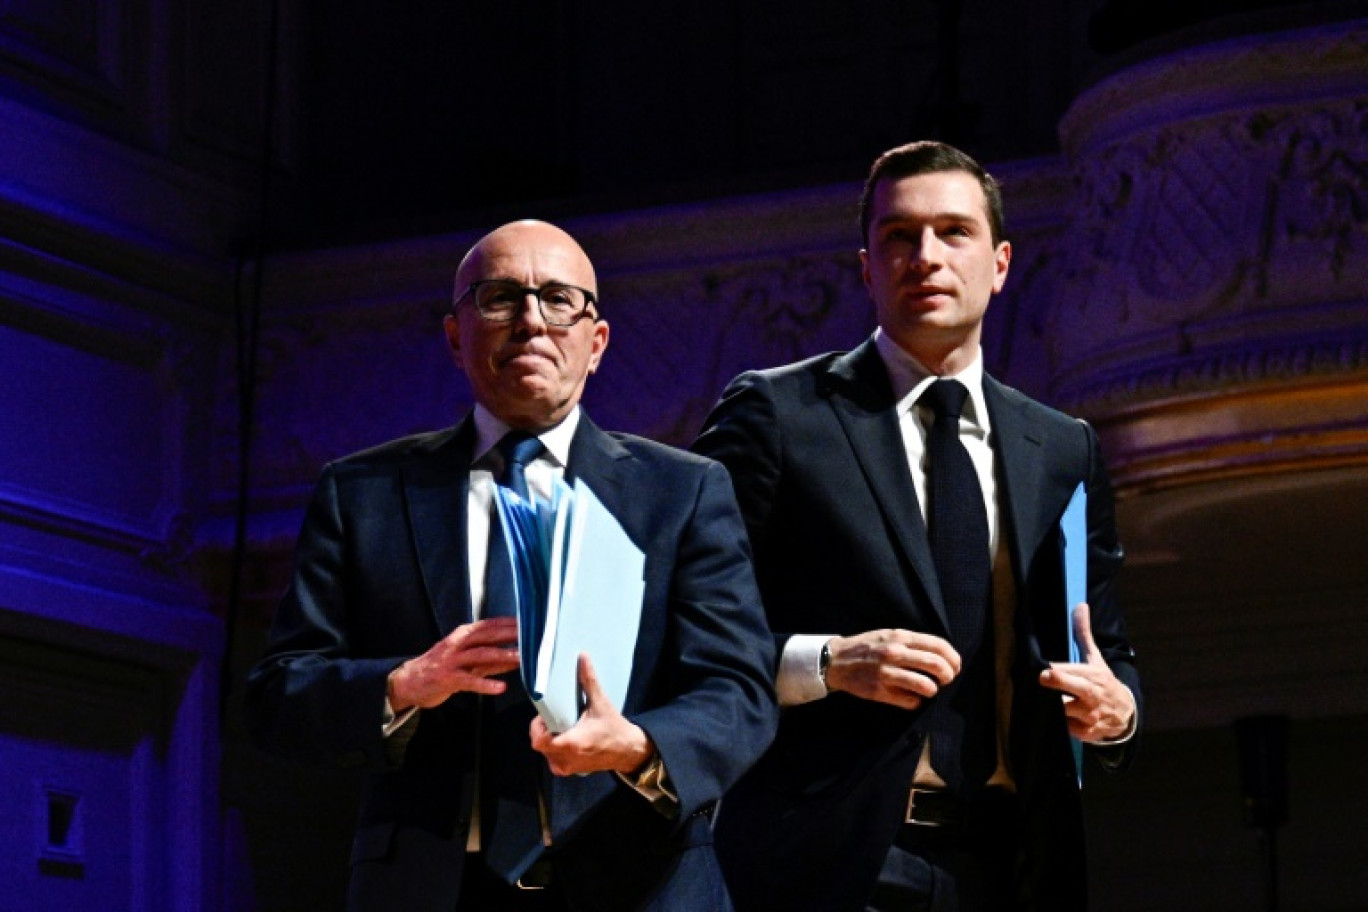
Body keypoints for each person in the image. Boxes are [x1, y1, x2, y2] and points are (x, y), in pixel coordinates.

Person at [246, 219, 777, 912]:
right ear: (455, 337)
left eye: (560, 299)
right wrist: (404, 684)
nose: (531, 320)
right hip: (430, 890)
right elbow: (278, 693)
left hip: (641, 884)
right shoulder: (364, 491)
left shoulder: (683, 492)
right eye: (499, 298)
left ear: (597, 342)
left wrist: (639, 745)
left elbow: (740, 690)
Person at [692, 141, 1141, 911]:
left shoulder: (1063, 446)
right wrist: (827, 662)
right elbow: (682, 628)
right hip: (829, 861)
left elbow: (1111, 647)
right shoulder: (777, 415)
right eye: (899, 236)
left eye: (953, 232)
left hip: (1014, 862)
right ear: (867, 266)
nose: (925, 255)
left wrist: (1121, 709)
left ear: (1000, 264)